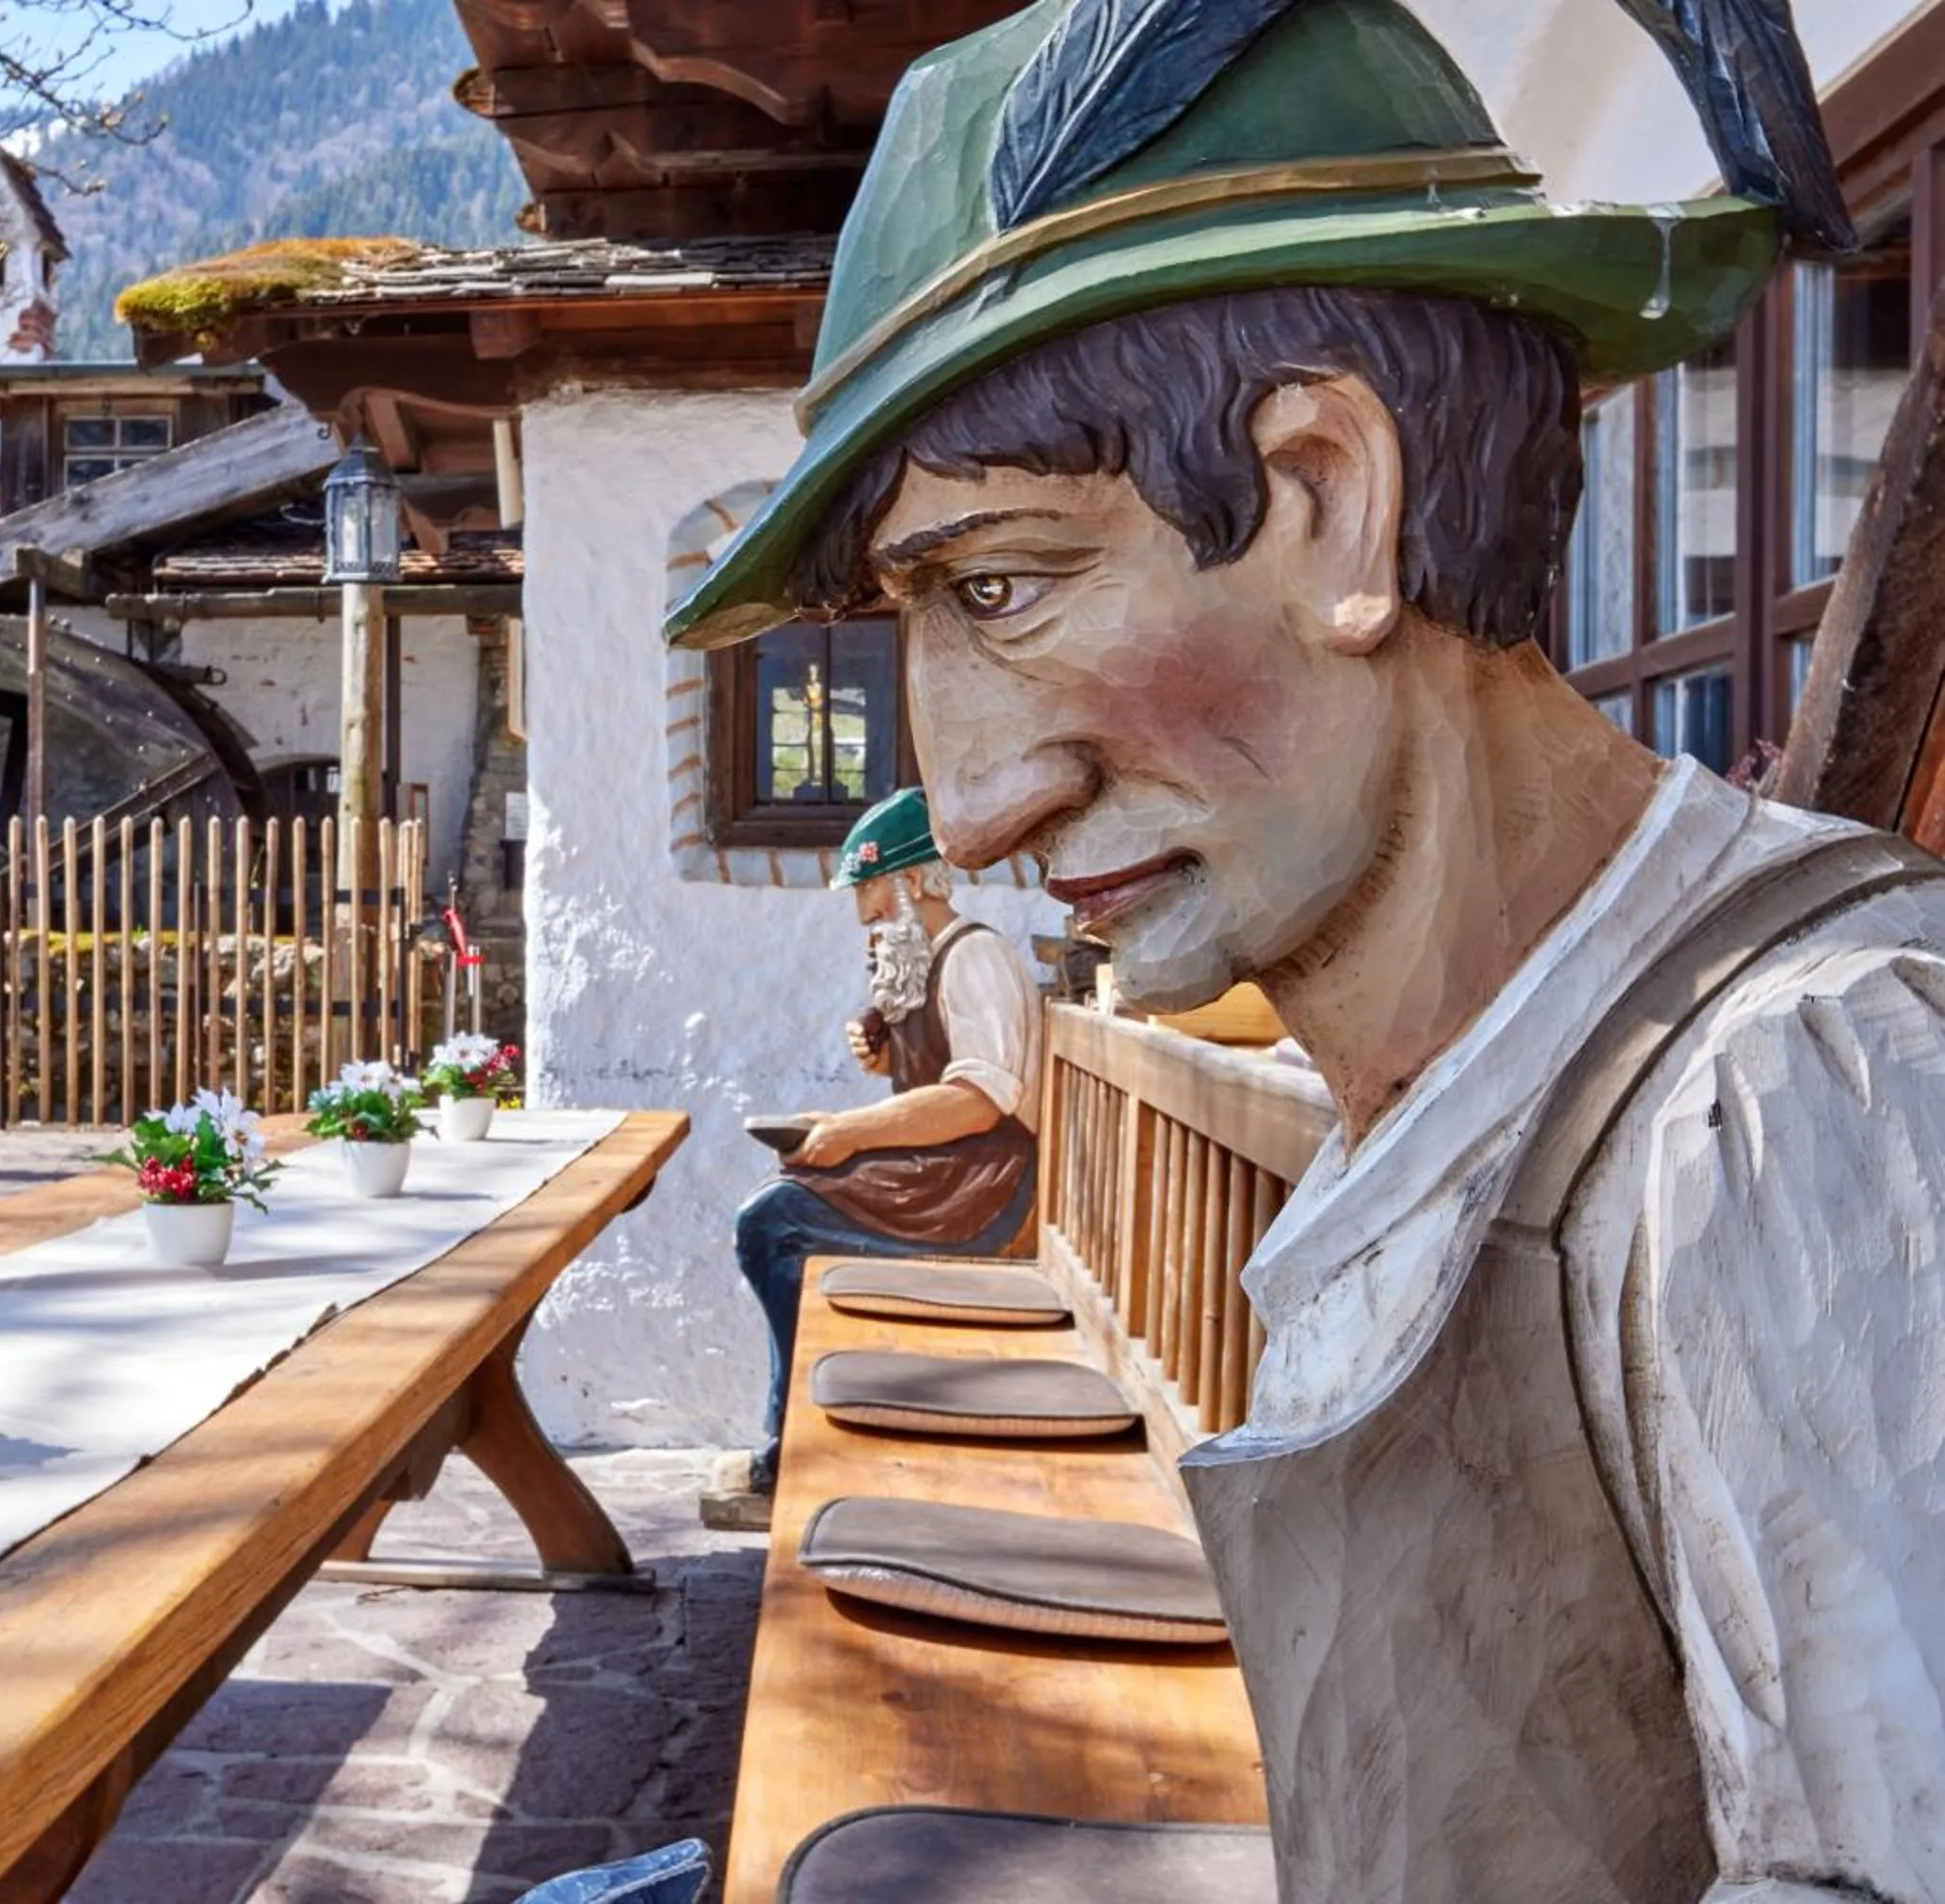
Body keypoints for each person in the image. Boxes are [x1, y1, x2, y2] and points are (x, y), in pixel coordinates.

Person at [665, 0, 1945, 1896]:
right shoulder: (1463, 1079)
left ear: (1334, 496)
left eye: (1006, 583)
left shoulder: (1807, 1096)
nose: (979, 805)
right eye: (915, 621)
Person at [709, 787, 1042, 1528]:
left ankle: (799, 1439)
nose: (866, 916)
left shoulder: (976, 956)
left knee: (776, 1221)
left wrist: (856, 1131)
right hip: (946, 1177)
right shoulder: (928, 963)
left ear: (918, 881)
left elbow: (977, 1101)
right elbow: (930, 1070)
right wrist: (880, 1050)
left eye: (873, 896)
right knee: (790, 1191)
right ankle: (806, 1427)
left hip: (980, 1192)